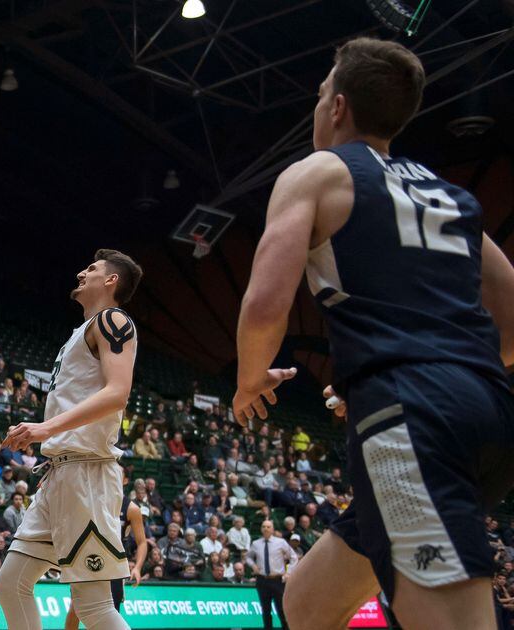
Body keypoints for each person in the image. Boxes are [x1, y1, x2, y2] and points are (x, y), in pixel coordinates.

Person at [231, 37, 514, 630]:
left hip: (415, 418)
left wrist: (251, 379)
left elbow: (263, 307)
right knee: (307, 603)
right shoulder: (448, 195)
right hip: (489, 416)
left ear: (336, 107)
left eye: (318, 97)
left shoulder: (317, 174)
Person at [0, 250, 142, 630]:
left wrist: (46, 428)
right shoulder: (82, 330)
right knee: (10, 583)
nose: (81, 272)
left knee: (93, 608)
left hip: (87, 474)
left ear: (111, 281)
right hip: (58, 475)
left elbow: (117, 393)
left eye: (92, 269)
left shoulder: (113, 319)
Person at [64, 496, 150, 630]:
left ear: (125, 480)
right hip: (88, 559)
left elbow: (142, 542)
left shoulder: (131, 508)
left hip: (113, 565)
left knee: (110, 610)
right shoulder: (91, 497)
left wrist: (137, 567)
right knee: (75, 608)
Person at [246, 520, 294, 630]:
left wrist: (288, 573)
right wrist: (253, 565)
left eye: (268, 527)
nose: (266, 529)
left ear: (272, 529)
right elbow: (248, 557)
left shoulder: (281, 542)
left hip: (277, 580)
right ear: (261, 529)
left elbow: (293, 557)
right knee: (265, 610)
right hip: (262, 580)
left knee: (281, 610)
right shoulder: (256, 544)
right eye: (264, 526)